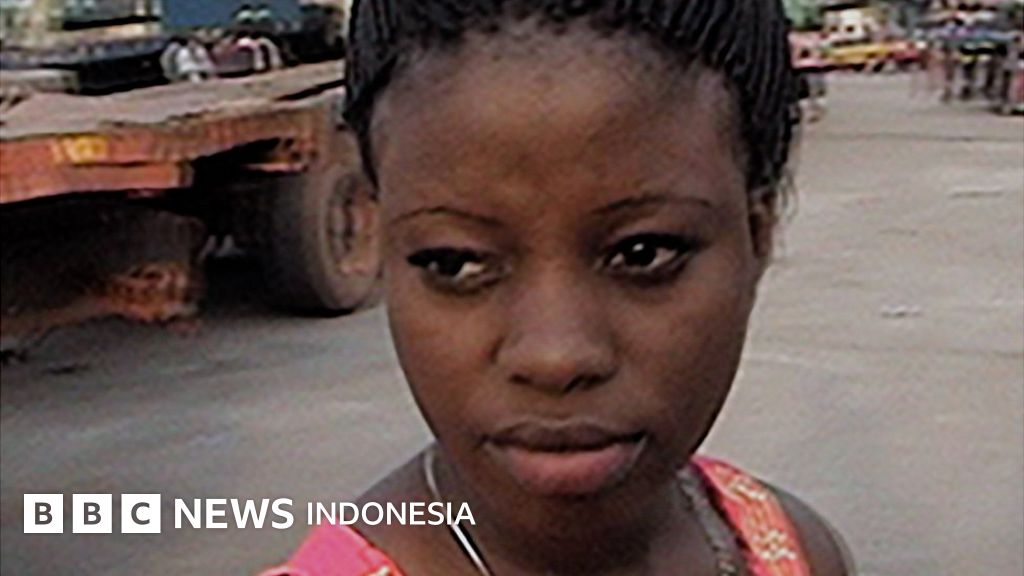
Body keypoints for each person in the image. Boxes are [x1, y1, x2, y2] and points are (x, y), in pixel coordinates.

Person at [264, 1, 853, 574]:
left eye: (643, 254)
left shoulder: (788, 550)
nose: (556, 358)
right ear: (378, 244)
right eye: (454, 263)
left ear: (756, 238)